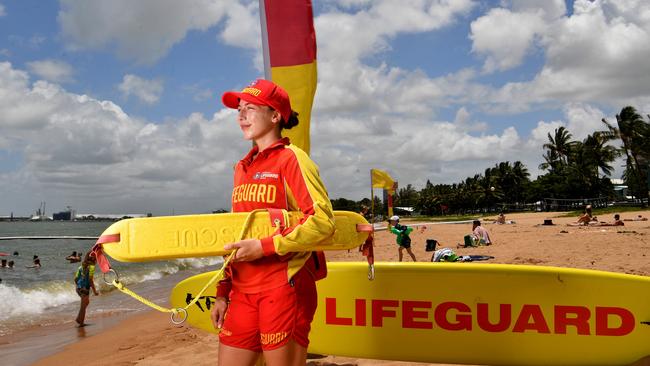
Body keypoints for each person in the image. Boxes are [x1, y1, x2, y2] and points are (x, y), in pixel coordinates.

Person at [210, 79, 336, 366]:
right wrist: (222, 291)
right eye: (239, 109)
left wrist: (265, 246)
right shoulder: (241, 168)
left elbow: (322, 222)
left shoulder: (292, 159)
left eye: (250, 108)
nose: (241, 115)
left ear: (276, 115)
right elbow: (238, 233)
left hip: (284, 287)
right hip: (243, 291)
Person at [74, 258, 99, 326]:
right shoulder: (91, 268)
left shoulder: (80, 267)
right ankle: (80, 322)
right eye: (96, 260)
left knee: (86, 303)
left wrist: (78, 286)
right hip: (85, 289)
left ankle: (79, 318)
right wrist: (95, 291)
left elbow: (75, 279)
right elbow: (90, 280)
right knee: (83, 306)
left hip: (79, 288)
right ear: (93, 261)